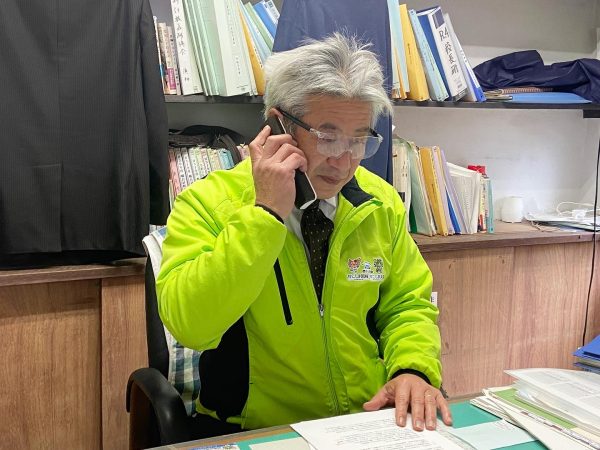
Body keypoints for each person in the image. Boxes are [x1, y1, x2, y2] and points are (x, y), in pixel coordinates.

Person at [156, 33, 452, 435]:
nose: (344, 160)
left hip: (363, 421)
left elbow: (406, 305)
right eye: (327, 137)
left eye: (359, 140)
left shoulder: (378, 203)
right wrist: (265, 216)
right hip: (259, 431)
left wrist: (412, 369)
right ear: (278, 124)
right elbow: (191, 324)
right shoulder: (208, 203)